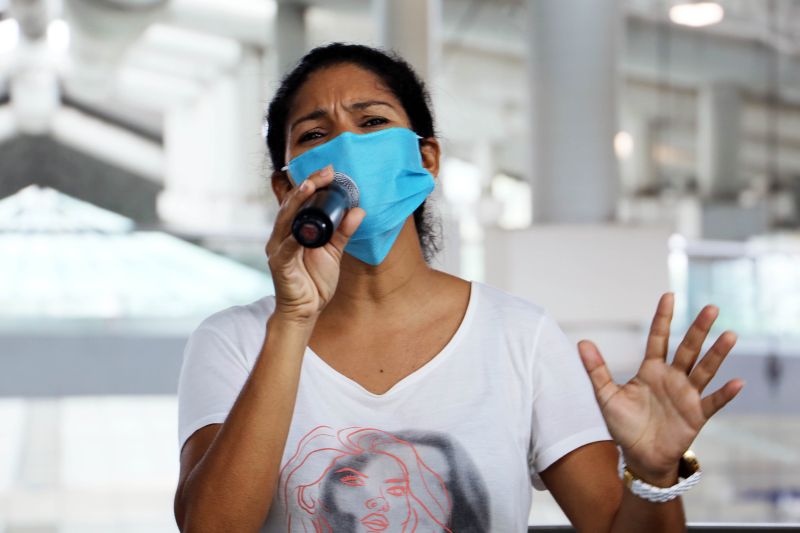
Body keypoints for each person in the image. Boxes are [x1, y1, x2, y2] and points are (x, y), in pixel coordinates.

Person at [173, 43, 743, 532]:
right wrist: (293, 320)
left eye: (372, 122)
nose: (347, 147)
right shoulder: (236, 341)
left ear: (426, 158)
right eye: (315, 134)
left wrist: (654, 470)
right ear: (286, 186)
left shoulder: (519, 336)